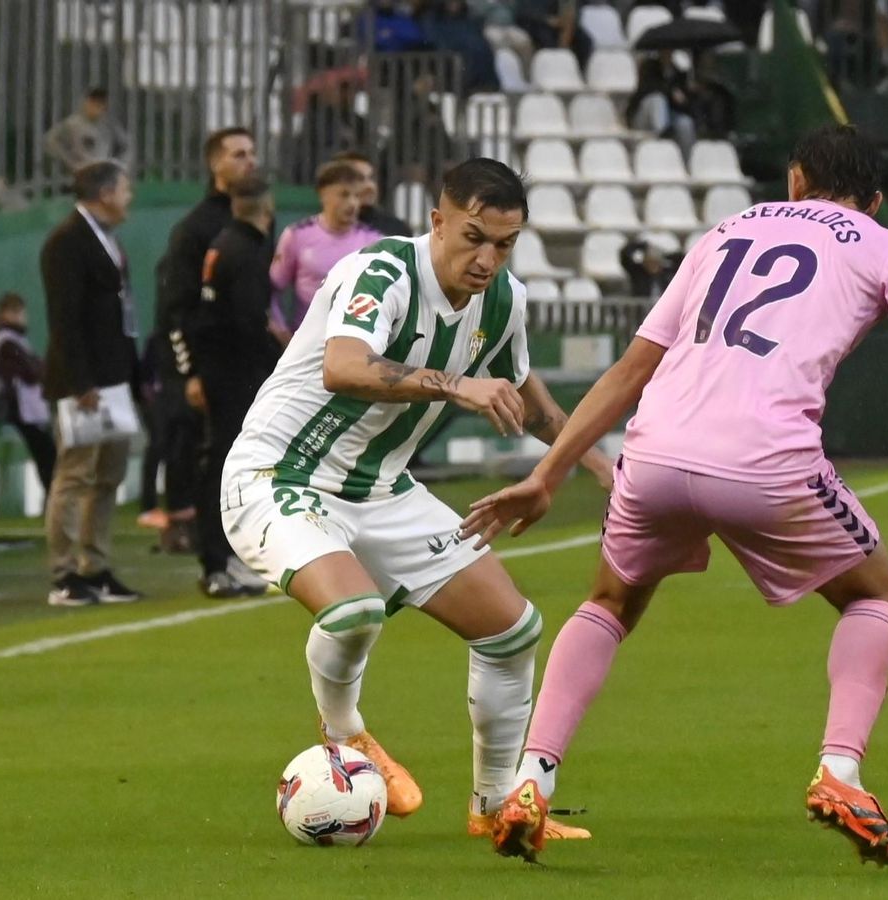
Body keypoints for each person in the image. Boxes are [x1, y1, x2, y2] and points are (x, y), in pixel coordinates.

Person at [461, 125, 888, 864]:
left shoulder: (726, 230)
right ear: (875, 200)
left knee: (607, 603)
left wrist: (549, 473)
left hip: (656, 451)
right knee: (874, 593)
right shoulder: (880, 243)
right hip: (765, 463)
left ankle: (532, 780)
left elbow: (631, 370)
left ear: (795, 179)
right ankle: (841, 772)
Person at [219, 158, 613, 843]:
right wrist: (455, 386)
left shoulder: (503, 300)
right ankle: (347, 737)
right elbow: (343, 366)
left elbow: (526, 393)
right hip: (279, 477)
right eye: (473, 237)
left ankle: (495, 808)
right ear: (437, 221)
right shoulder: (381, 273)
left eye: (504, 243)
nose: (487, 258)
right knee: (354, 610)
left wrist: (602, 468)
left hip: (382, 489)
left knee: (511, 629)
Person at [39, 160, 144, 607]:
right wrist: (79, 380)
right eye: (124, 188)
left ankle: (95, 566)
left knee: (107, 477)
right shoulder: (66, 242)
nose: (129, 197)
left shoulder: (108, 240)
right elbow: (65, 319)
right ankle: (64, 574)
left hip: (113, 378)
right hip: (82, 382)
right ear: (104, 192)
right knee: (75, 474)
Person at [153, 127, 259, 564]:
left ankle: (245, 548)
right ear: (216, 164)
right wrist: (189, 372)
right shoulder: (196, 230)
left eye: (252, 153)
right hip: (213, 371)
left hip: (249, 368)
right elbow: (175, 308)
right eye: (238, 154)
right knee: (215, 459)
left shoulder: (253, 224)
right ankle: (214, 554)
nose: (249, 161)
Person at [185, 175, 285, 598]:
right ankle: (222, 560)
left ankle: (221, 558)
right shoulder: (246, 253)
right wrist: (278, 353)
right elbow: (248, 322)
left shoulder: (223, 243)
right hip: (237, 375)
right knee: (231, 468)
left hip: (217, 370)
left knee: (223, 465)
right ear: (267, 207)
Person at [270, 161, 383, 344]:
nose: (352, 203)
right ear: (323, 194)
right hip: (307, 343)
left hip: (355, 344)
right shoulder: (297, 235)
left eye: (357, 196)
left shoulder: (374, 241)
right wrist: (282, 333)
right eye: (344, 195)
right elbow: (273, 290)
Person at [0, 292, 56, 494]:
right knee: (47, 455)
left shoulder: (9, 340)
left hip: (26, 408)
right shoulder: (7, 342)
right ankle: (55, 501)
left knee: (46, 455)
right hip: (22, 408)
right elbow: (31, 371)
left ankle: (54, 500)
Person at [43, 87, 133, 176]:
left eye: (101, 104)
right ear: (86, 103)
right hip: (81, 173)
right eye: (93, 103)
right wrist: (70, 162)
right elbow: (50, 142)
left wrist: (119, 165)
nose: (97, 108)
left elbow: (126, 145)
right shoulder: (72, 124)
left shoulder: (109, 125)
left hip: (103, 173)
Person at [337, 151, 414, 237]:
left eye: (371, 178)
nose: (370, 186)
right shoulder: (322, 229)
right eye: (359, 179)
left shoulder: (396, 230)